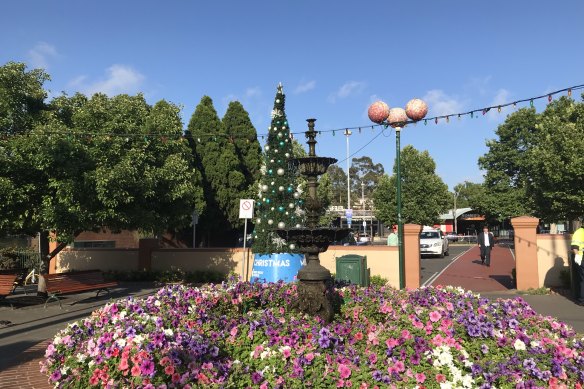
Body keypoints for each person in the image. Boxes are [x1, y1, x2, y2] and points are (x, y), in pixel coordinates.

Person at [570, 225, 584, 305]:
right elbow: (575, 246)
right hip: (582, 258)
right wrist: (577, 256)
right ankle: (582, 300)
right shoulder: (579, 232)